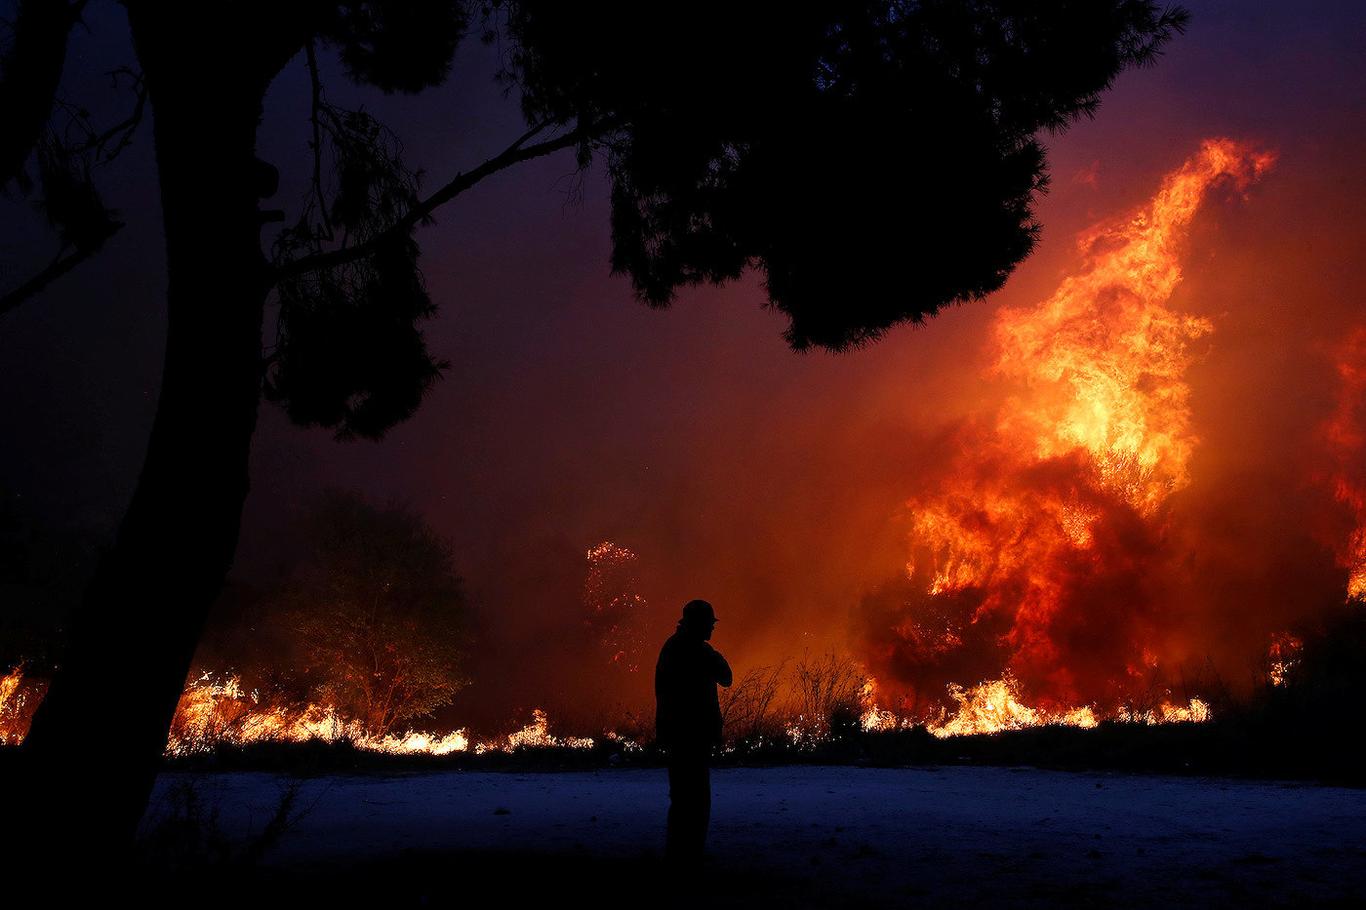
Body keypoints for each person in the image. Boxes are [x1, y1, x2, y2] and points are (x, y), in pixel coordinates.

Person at [655, 598, 732, 862]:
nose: (712, 629)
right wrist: (711, 653)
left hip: (678, 735)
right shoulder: (698, 652)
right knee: (696, 800)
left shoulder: (671, 648)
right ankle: (689, 857)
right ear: (699, 624)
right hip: (692, 735)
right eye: (709, 624)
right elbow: (726, 677)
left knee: (682, 798)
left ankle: (679, 855)